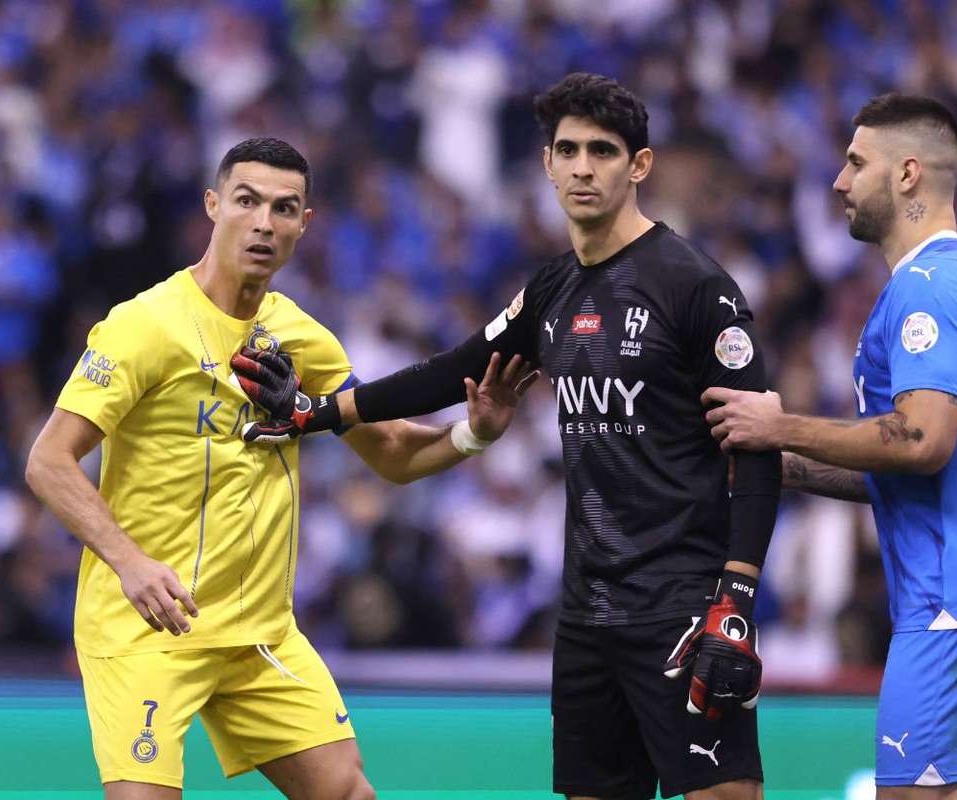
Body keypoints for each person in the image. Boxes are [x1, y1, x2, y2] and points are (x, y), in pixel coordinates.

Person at [232, 73, 781, 800]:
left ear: (638, 166)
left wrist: (735, 598)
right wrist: (315, 413)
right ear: (547, 164)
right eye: (568, 150)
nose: (583, 168)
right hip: (586, 618)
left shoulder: (695, 287)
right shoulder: (552, 290)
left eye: (604, 152)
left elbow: (758, 446)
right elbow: (454, 370)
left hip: (680, 608)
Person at [25, 137, 531, 799]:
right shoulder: (142, 328)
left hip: (257, 634)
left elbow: (392, 455)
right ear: (213, 205)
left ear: (304, 223)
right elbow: (49, 462)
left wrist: (472, 434)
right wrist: (130, 563)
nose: (264, 222)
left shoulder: (298, 337)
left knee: (348, 792)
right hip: (147, 626)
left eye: (284, 208)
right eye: (247, 201)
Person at [702, 94, 957, 799]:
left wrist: (781, 425)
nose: (839, 181)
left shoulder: (924, 290)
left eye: (856, 162)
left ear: (908, 175)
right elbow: (917, 467)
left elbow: (922, 440)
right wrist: (784, 463)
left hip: (952, 603)